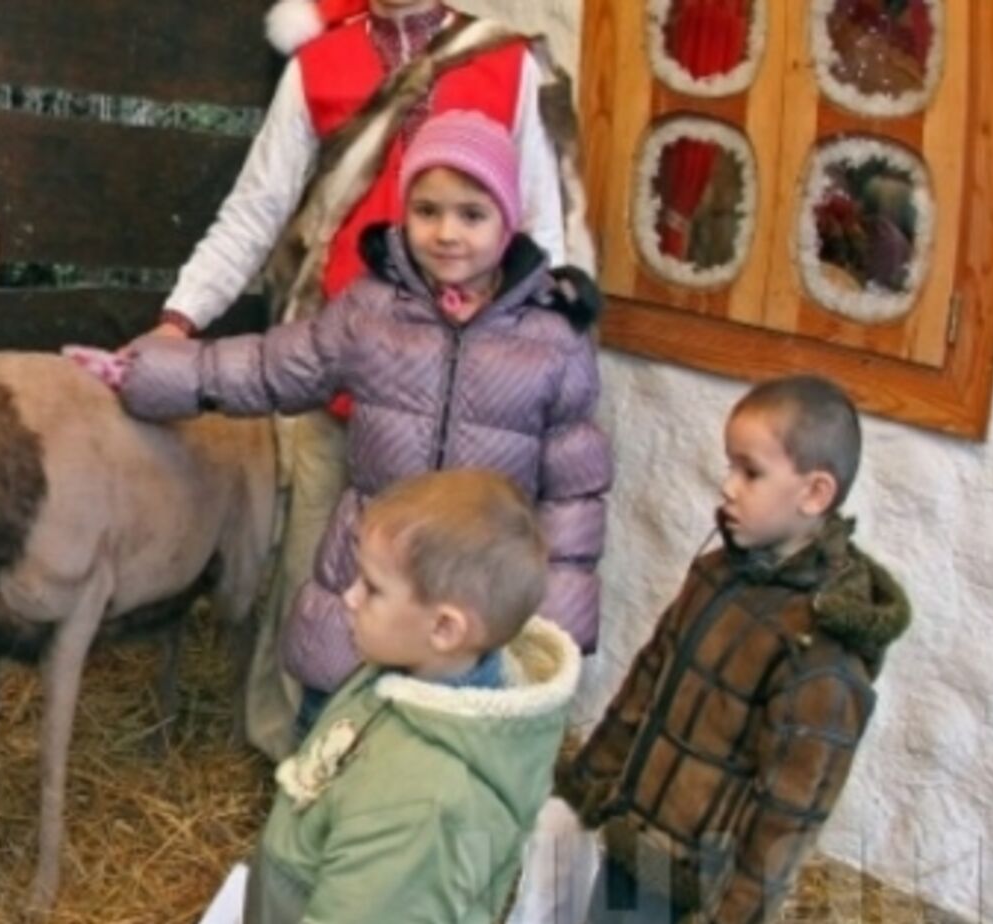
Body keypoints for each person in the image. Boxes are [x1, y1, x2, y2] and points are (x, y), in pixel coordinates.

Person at [147, 0, 584, 761]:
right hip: (335, 378)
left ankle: (413, 776)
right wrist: (178, 322)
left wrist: (540, 354)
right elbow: (256, 210)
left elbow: (545, 228)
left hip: (465, 395)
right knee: (316, 585)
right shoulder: (319, 67)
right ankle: (296, 768)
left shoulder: (506, 63)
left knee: (448, 592)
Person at [556, 376, 912, 923]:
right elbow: (645, 686)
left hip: (700, 884)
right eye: (730, 466)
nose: (727, 486)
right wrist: (579, 791)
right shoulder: (716, 575)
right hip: (640, 840)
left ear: (815, 492)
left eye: (750, 471)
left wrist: (736, 915)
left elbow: (790, 809)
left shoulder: (817, 649)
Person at [243, 468, 581, 922]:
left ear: (444, 628)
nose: (349, 597)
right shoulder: (404, 671)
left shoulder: (425, 807)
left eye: (373, 588)